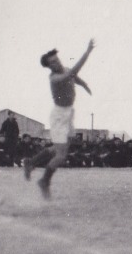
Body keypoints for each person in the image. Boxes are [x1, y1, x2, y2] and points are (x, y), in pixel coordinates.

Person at [24, 39, 95, 198]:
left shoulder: (65, 69)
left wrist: (84, 85)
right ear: (49, 67)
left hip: (68, 113)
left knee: (60, 150)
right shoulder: (54, 78)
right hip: (59, 116)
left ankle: (31, 162)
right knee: (61, 156)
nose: (56, 64)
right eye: (52, 63)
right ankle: (44, 181)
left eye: (56, 60)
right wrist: (87, 52)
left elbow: (75, 78)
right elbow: (72, 74)